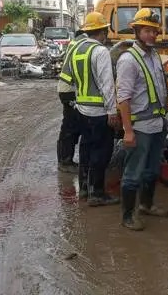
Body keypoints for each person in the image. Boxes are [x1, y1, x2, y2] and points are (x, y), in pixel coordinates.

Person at [115, 8, 168, 231]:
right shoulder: (128, 60)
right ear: (137, 31)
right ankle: (127, 216)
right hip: (139, 127)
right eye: (147, 30)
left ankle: (146, 205)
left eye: (155, 31)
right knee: (133, 173)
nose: (152, 35)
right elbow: (123, 98)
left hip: (157, 124)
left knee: (152, 170)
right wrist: (128, 131)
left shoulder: (154, 55)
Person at [60, 11, 120, 206]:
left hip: (81, 110)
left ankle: (85, 189)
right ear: (102, 32)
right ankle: (97, 193)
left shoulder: (76, 49)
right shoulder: (100, 51)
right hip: (99, 112)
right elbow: (107, 84)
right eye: (105, 32)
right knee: (101, 153)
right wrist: (112, 111)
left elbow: (69, 79)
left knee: (85, 150)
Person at [56, 29, 87, 176]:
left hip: (67, 89)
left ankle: (65, 160)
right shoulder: (82, 44)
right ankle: (65, 162)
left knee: (69, 126)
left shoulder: (75, 42)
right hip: (70, 90)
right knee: (70, 127)